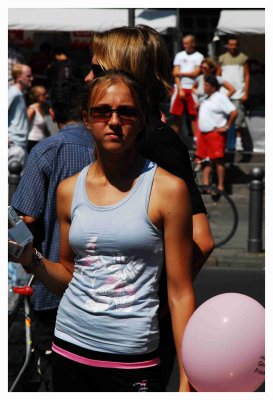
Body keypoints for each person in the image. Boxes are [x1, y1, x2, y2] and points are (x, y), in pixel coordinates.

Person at [9, 70, 195, 392]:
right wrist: (32, 259)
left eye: (126, 111)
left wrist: (187, 377)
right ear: (87, 118)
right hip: (69, 347)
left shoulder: (169, 190)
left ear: (140, 120)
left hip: (133, 358)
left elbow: (179, 293)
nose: (113, 121)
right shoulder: (69, 190)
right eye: (101, 111)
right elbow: (69, 275)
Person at [85, 25, 214, 390]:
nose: (86, 77)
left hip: (140, 337)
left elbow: (201, 240)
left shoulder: (158, 142)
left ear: (123, 73)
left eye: (95, 69)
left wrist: (146, 295)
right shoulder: (132, 137)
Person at [11, 78, 95, 391]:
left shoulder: (46, 151)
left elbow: (26, 217)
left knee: (55, 371)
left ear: (51, 111)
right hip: (103, 288)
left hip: (52, 284)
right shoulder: (109, 149)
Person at [192, 58, 235, 167]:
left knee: (217, 157)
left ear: (211, 69)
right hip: (203, 108)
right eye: (201, 67)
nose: (202, 69)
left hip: (214, 112)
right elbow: (193, 88)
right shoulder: (200, 78)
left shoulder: (217, 80)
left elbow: (232, 89)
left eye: (205, 67)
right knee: (201, 150)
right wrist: (198, 100)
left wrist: (221, 100)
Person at [197, 76, 238, 192]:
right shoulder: (206, 98)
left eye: (206, 85)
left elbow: (234, 112)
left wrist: (226, 126)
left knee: (218, 160)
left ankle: (220, 186)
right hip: (203, 134)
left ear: (213, 87)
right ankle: (206, 185)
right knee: (204, 160)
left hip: (214, 134)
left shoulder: (220, 97)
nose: (204, 87)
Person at [217, 36, 250, 151]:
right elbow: (218, 76)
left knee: (238, 119)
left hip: (238, 94)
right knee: (224, 119)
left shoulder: (243, 58)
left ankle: (238, 142)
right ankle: (226, 144)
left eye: (235, 45)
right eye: (231, 45)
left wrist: (245, 92)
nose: (233, 47)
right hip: (224, 94)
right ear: (227, 45)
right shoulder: (222, 58)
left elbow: (247, 75)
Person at [169, 34, 204, 137]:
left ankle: (196, 140)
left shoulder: (199, 56)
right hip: (180, 88)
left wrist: (181, 73)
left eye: (187, 43)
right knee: (176, 115)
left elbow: (196, 73)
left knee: (194, 116)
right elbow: (175, 73)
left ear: (193, 43)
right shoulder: (179, 55)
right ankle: (174, 139)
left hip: (193, 88)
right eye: (184, 43)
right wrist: (180, 89)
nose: (185, 46)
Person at [8, 63, 33, 167]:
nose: (32, 78)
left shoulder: (19, 93)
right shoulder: (13, 92)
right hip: (14, 145)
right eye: (28, 76)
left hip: (20, 144)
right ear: (18, 77)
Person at [27, 85, 51, 153]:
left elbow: (45, 130)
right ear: (37, 96)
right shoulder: (32, 109)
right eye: (44, 94)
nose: (46, 96)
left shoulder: (42, 108)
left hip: (41, 141)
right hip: (32, 141)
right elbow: (24, 125)